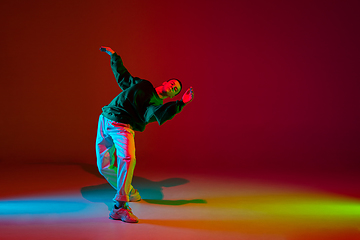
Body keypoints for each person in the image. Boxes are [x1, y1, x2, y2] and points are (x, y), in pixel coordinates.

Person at [95, 46, 194, 223]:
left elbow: (156, 114)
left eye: (176, 89)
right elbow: (124, 78)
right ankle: (129, 191)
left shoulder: (155, 104)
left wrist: (181, 103)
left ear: (171, 95)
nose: (173, 87)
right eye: (172, 84)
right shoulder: (144, 85)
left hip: (122, 127)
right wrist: (114, 56)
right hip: (105, 119)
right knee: (104, 166)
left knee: (127, 158)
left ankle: (120, 206)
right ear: (165, 82)